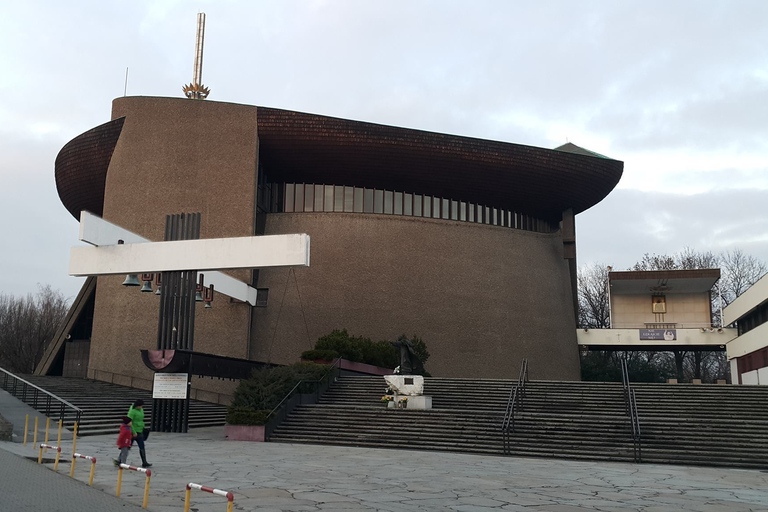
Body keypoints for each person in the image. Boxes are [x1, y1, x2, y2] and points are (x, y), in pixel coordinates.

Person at [127, 399, 152, 468]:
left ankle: (144, 462)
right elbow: (129, 422)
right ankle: (120, 460)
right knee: (128, 446)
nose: (141, 407)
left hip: (140, 430)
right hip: (133, 431)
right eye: (140, 406)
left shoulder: (141, 410)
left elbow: (141, 419)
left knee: (142, 446)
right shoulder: (132, 411)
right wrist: (133, 432)